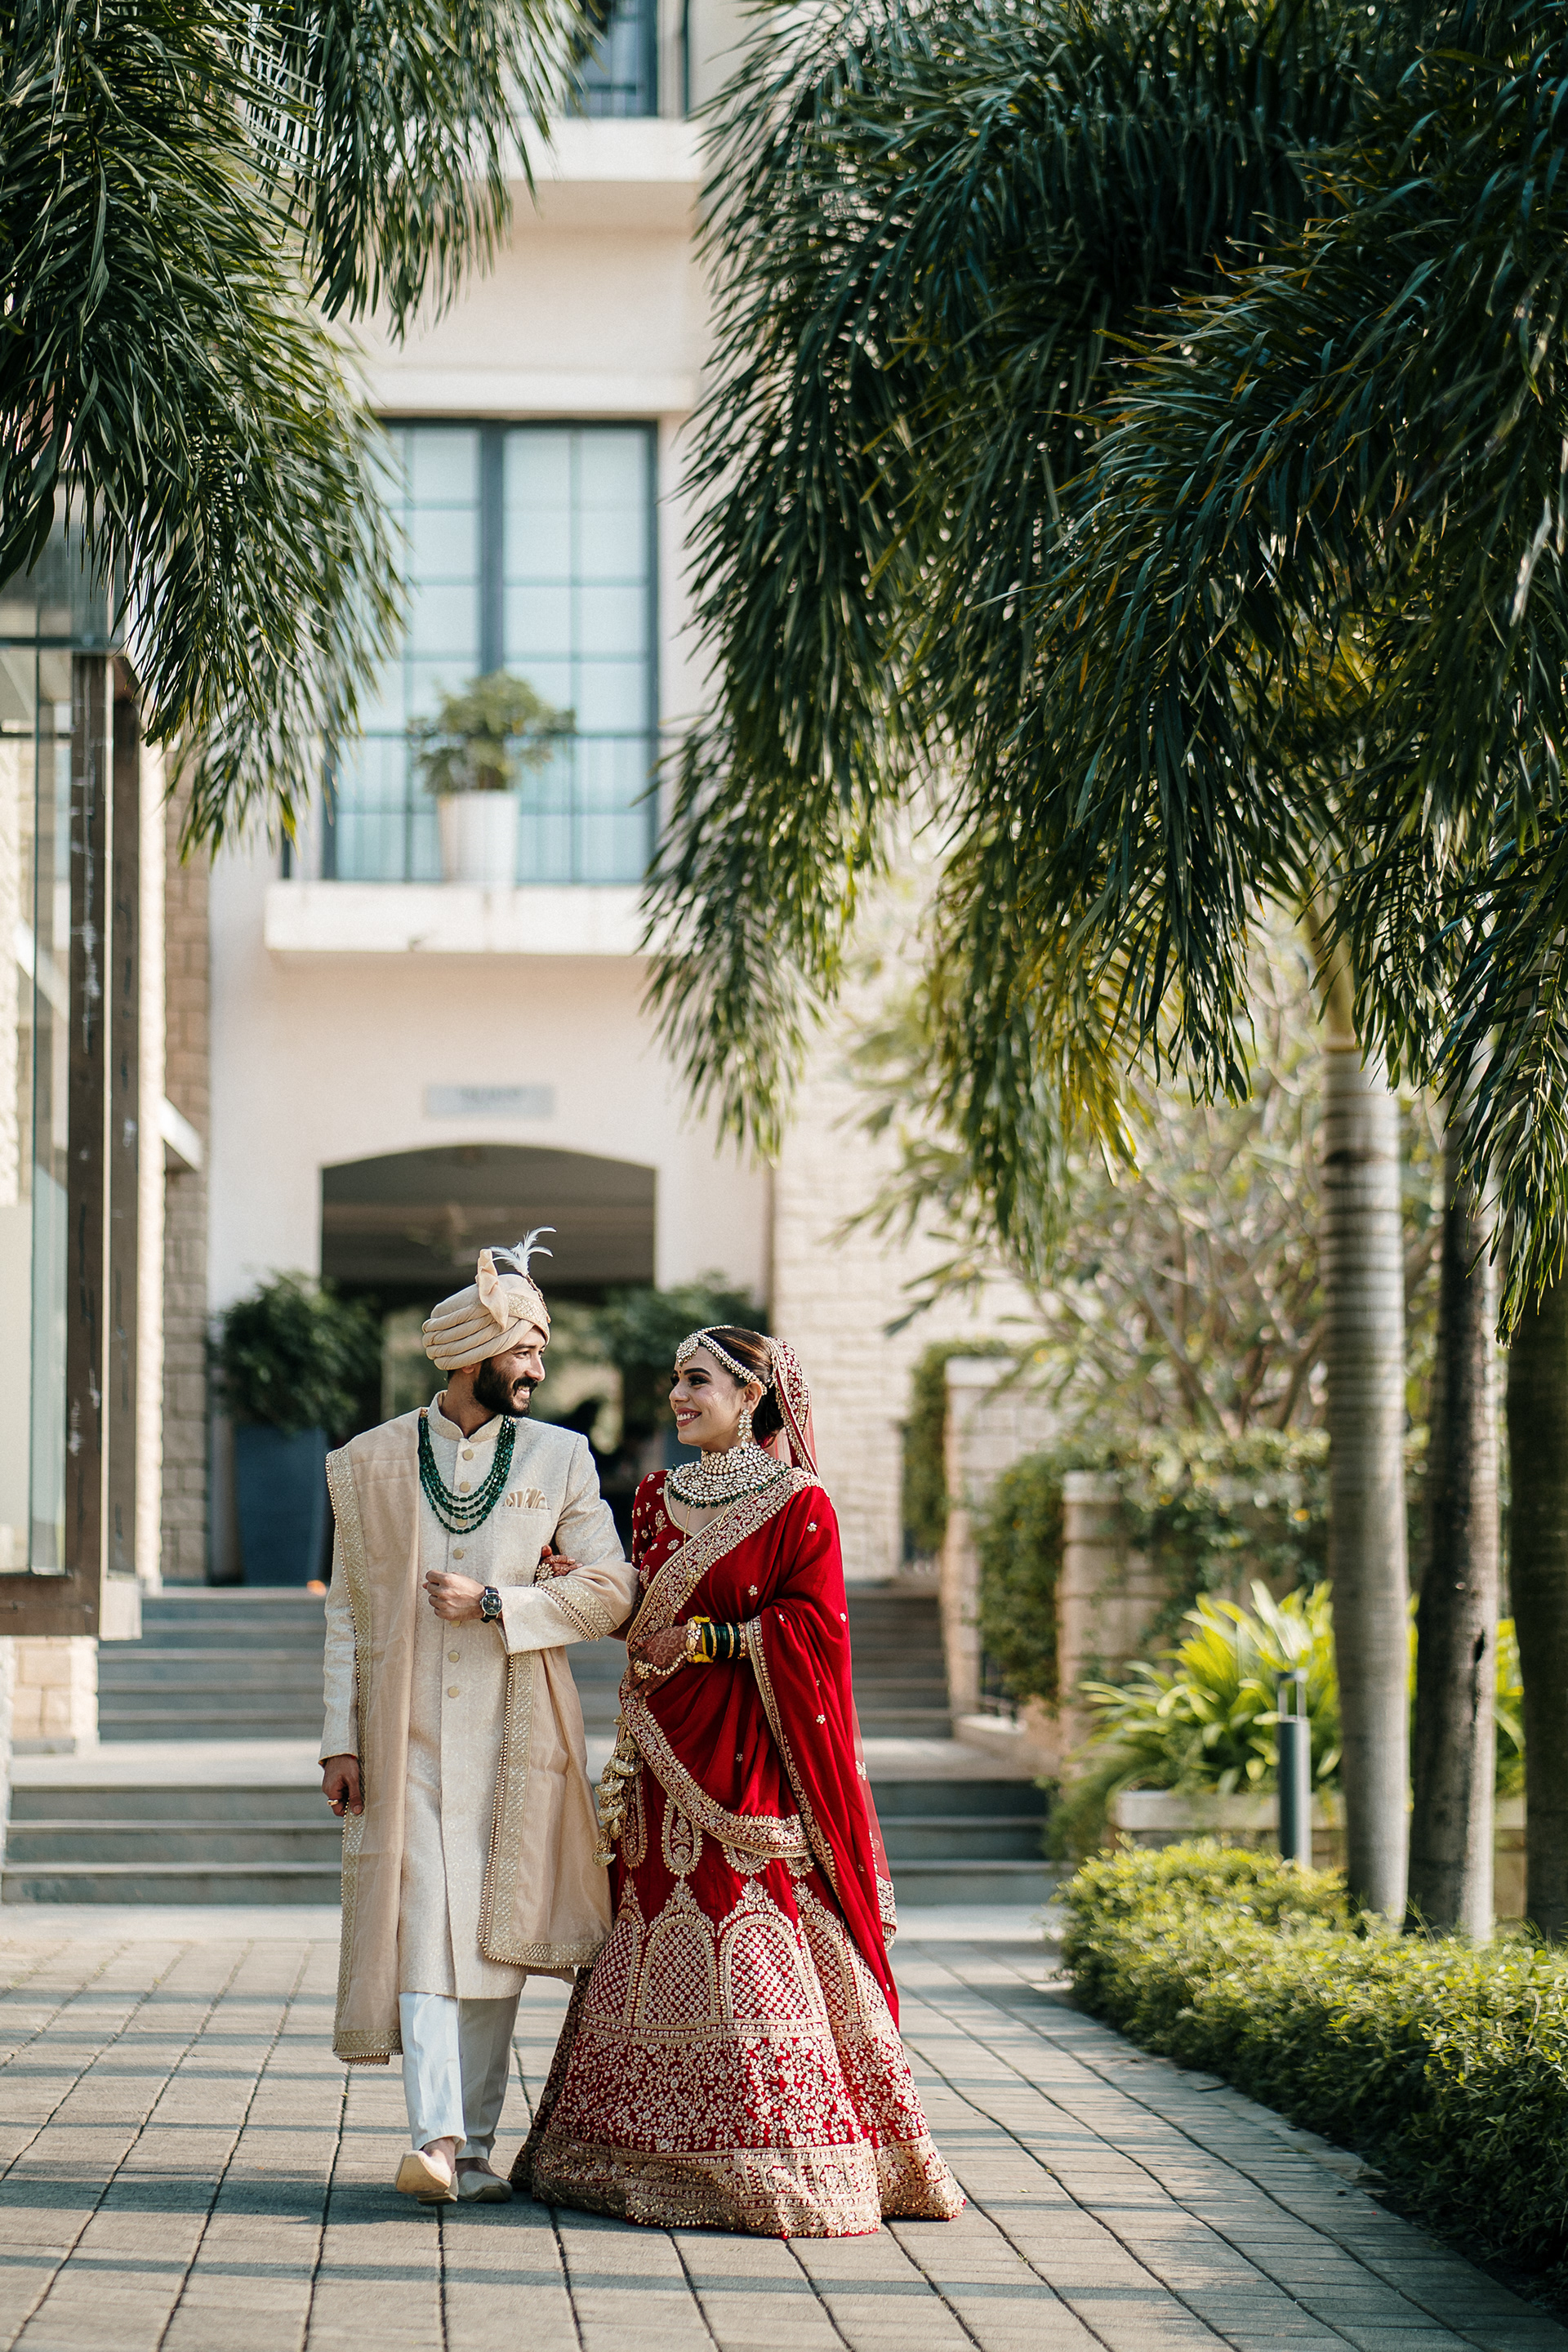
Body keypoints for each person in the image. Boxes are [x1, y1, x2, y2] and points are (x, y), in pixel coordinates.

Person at [514, 1325, 964, 2238]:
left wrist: (711, 1640)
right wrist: (589, 1590)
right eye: (676, 1381)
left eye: (698, 1381)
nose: (679, 1398)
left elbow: (815, 1632)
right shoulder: (655, 1497)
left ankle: (783, 2160)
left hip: (755, 1763)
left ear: (752, 1395)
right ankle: (629, 2152)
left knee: (751, 1935)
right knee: (651, 1929)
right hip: (660, 1756)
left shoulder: (801, 1505)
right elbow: (653, 1611)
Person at [318, 1236, 636, 2206]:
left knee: (497, 1934)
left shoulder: (559, 1456)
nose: (537, 1368)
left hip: (516, 1725)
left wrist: (502, 1602)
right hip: (402, 1724)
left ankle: (476, 2148)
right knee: (421, 1922)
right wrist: (339, 1738)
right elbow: (348, 1611)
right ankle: (437, 2137)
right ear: (470, 1354)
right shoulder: (372, 1461)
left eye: (540, 1350)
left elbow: (614, 1590)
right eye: (523, 1350)